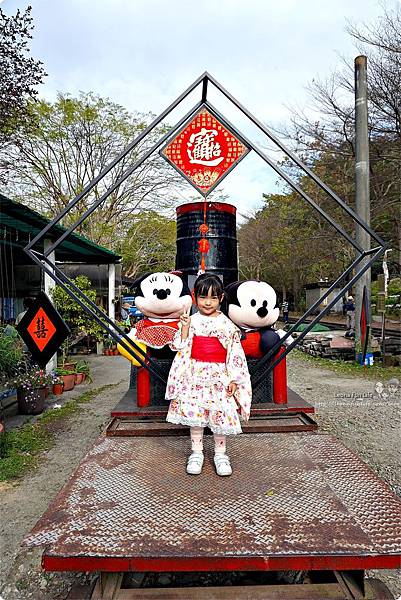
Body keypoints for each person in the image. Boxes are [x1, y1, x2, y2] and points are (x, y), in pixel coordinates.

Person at [165, 273, 252, 477]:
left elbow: (235, 354)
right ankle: (197, 453)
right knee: (196, 414)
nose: (208, 302)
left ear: (221, 298)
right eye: (203, 297)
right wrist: (185, 328)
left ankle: (220, 454)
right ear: (195, 297)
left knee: (219, 414)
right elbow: (178, 346)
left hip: (219, 375)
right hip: (194, 374)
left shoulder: (228, 325)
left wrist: (234, 379)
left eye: (213, 297)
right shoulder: (191, 321)